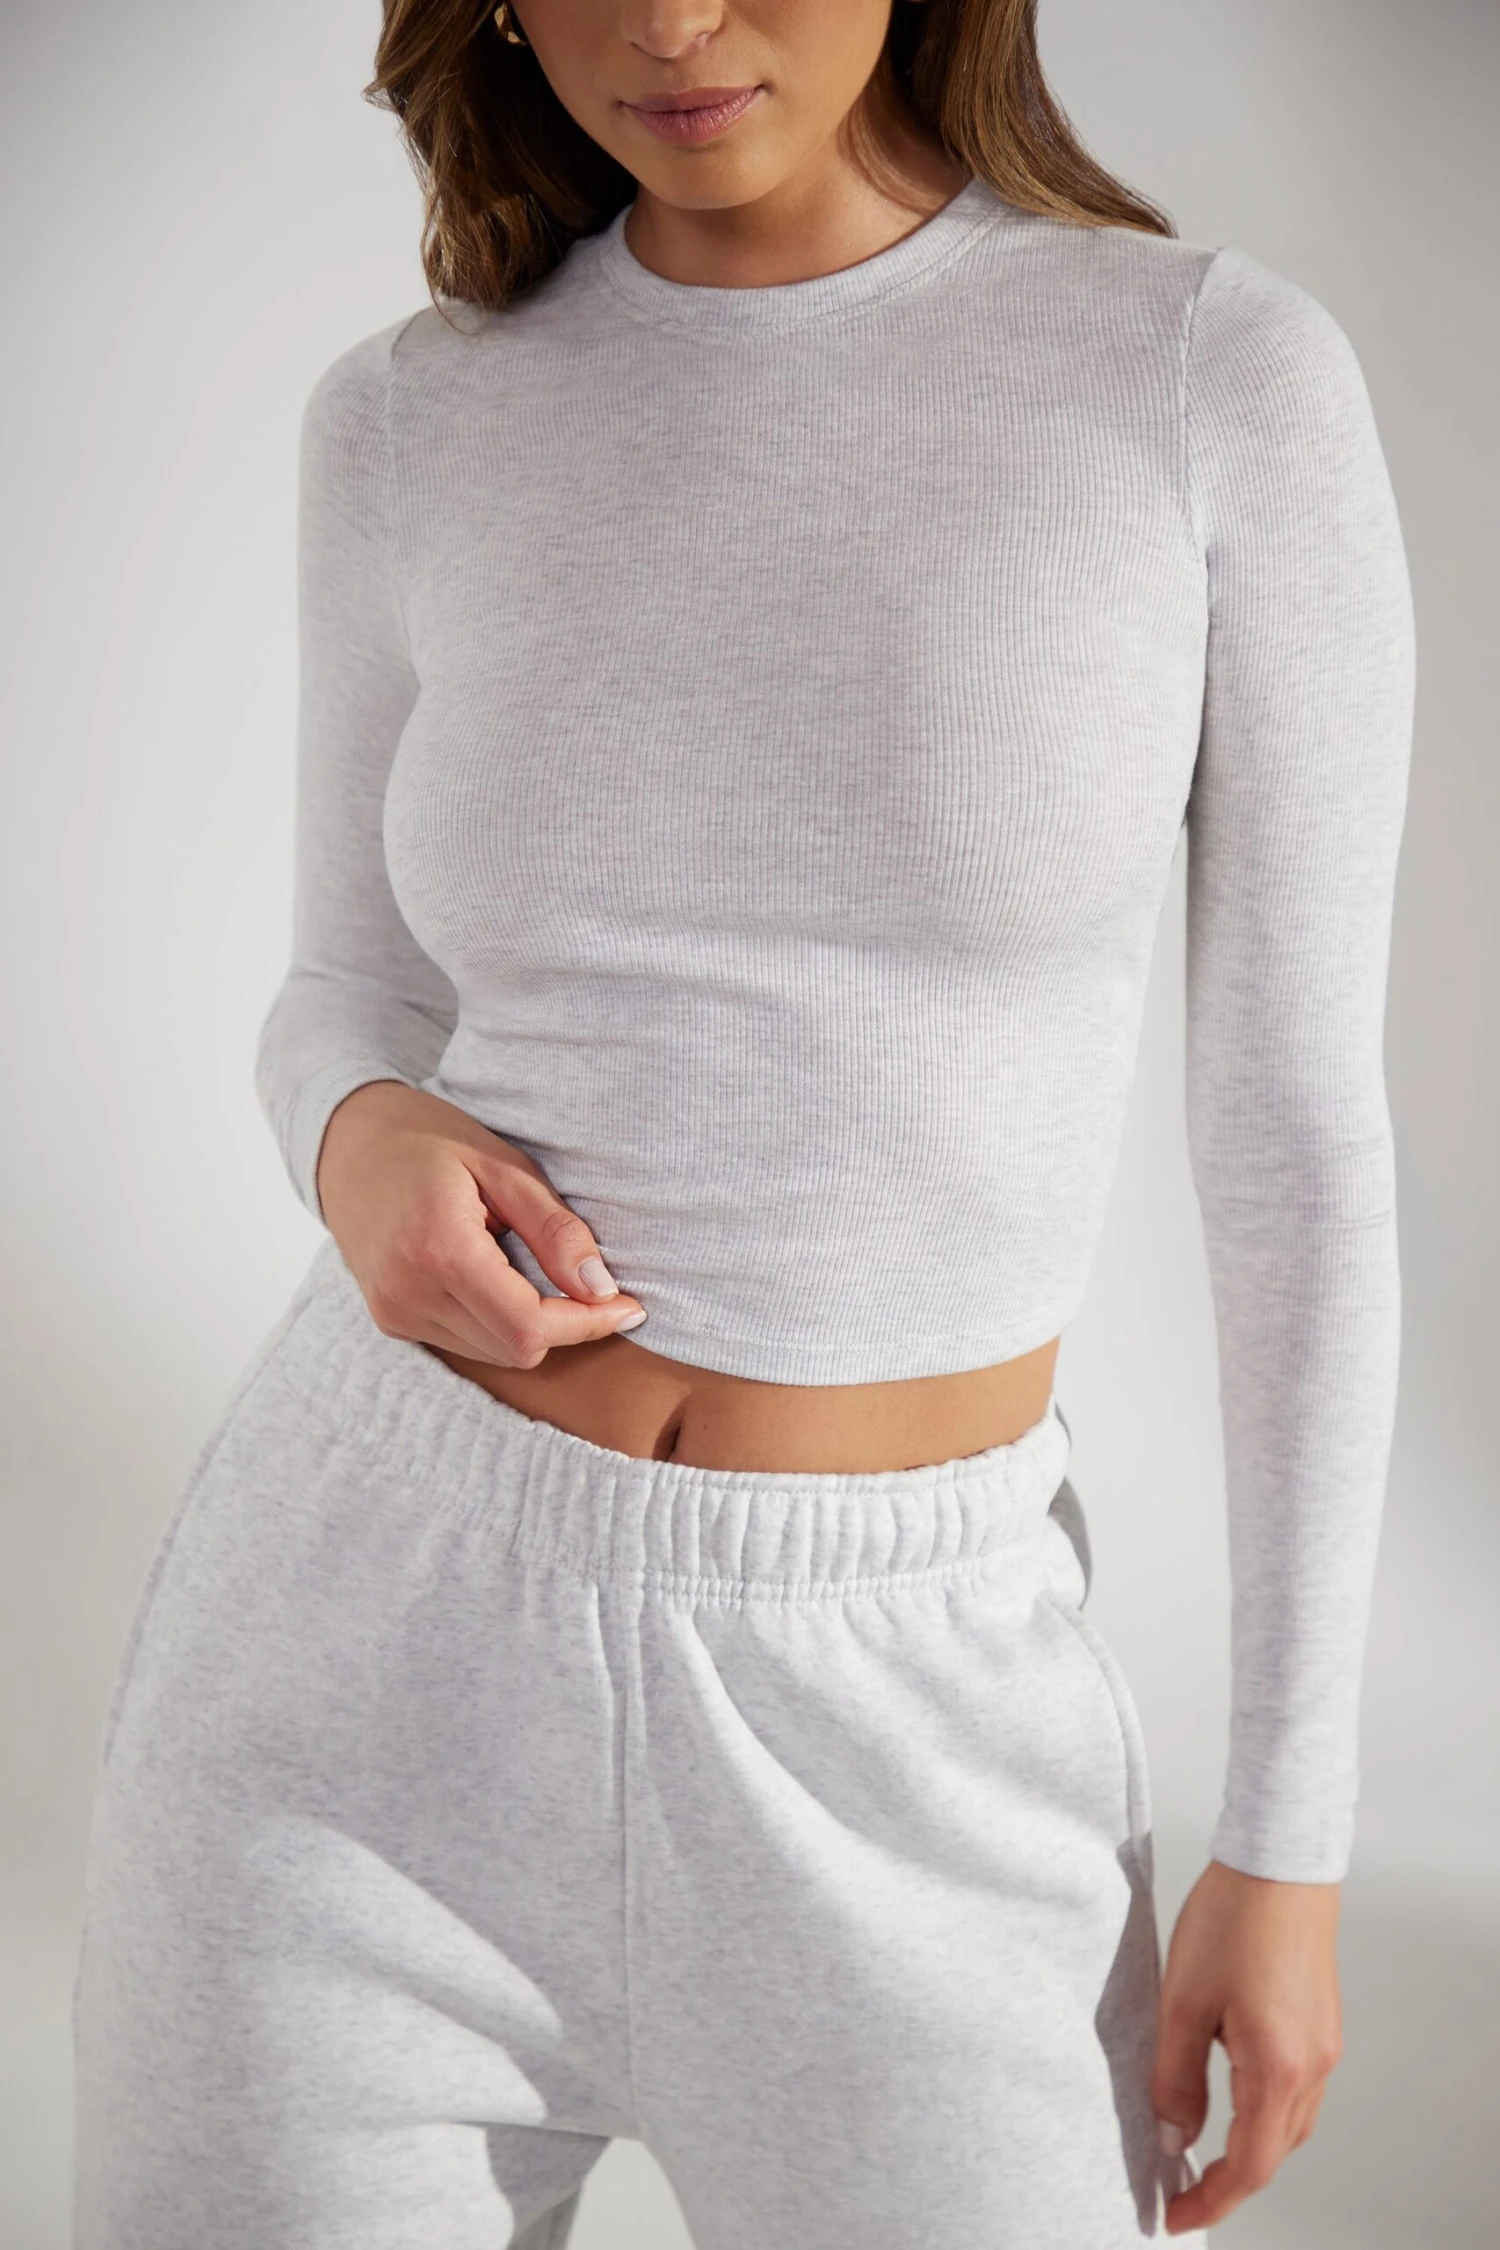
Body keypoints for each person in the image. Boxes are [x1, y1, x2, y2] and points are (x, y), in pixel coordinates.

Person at [70, 2, 1414, 2245]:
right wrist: (355, 1135)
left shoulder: (1204, 380)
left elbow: (1297, 1145)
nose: (673, 24)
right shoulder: (414, 417)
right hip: (353, 1683)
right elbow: (348, 993)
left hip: (905, 1727)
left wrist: (1291, 1835)